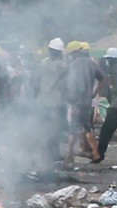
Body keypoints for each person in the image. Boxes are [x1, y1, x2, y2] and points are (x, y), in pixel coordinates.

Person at [65, 41, 105, 164]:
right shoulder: (92, 64)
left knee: (73, 128)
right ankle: (96, 153)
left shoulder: (72, 65)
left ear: (74, 53)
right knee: (88, 127)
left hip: (77, 100)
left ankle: (70, 155)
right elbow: (104, 78)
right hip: (87, 100)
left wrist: (71, 100)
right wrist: (95, 92)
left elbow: (72, 85)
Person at [36, 38, 68, 167]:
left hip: (43, 101)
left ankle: (45, 153)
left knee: (45, 129)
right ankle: (53, 153)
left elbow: (36, 82)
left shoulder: (42, 64)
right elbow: (67, 85)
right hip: (57, 102)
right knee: (56, 129)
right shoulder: (63, 66)